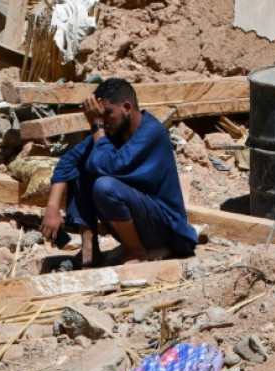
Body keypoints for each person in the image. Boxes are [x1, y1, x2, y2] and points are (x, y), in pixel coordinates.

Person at [40, 77, 197, 267]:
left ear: (127, 108)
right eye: (100, 116)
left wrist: (96, 126)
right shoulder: (114, 133)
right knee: (81, 169)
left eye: (107, 114)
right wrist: (52, 209)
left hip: (164, 226)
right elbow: (68, 161)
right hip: (137, 220)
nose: (104, 121)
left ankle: (136, 251)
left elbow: (112, 165)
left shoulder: (151, 132)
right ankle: (90, 251)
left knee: (104, 185)